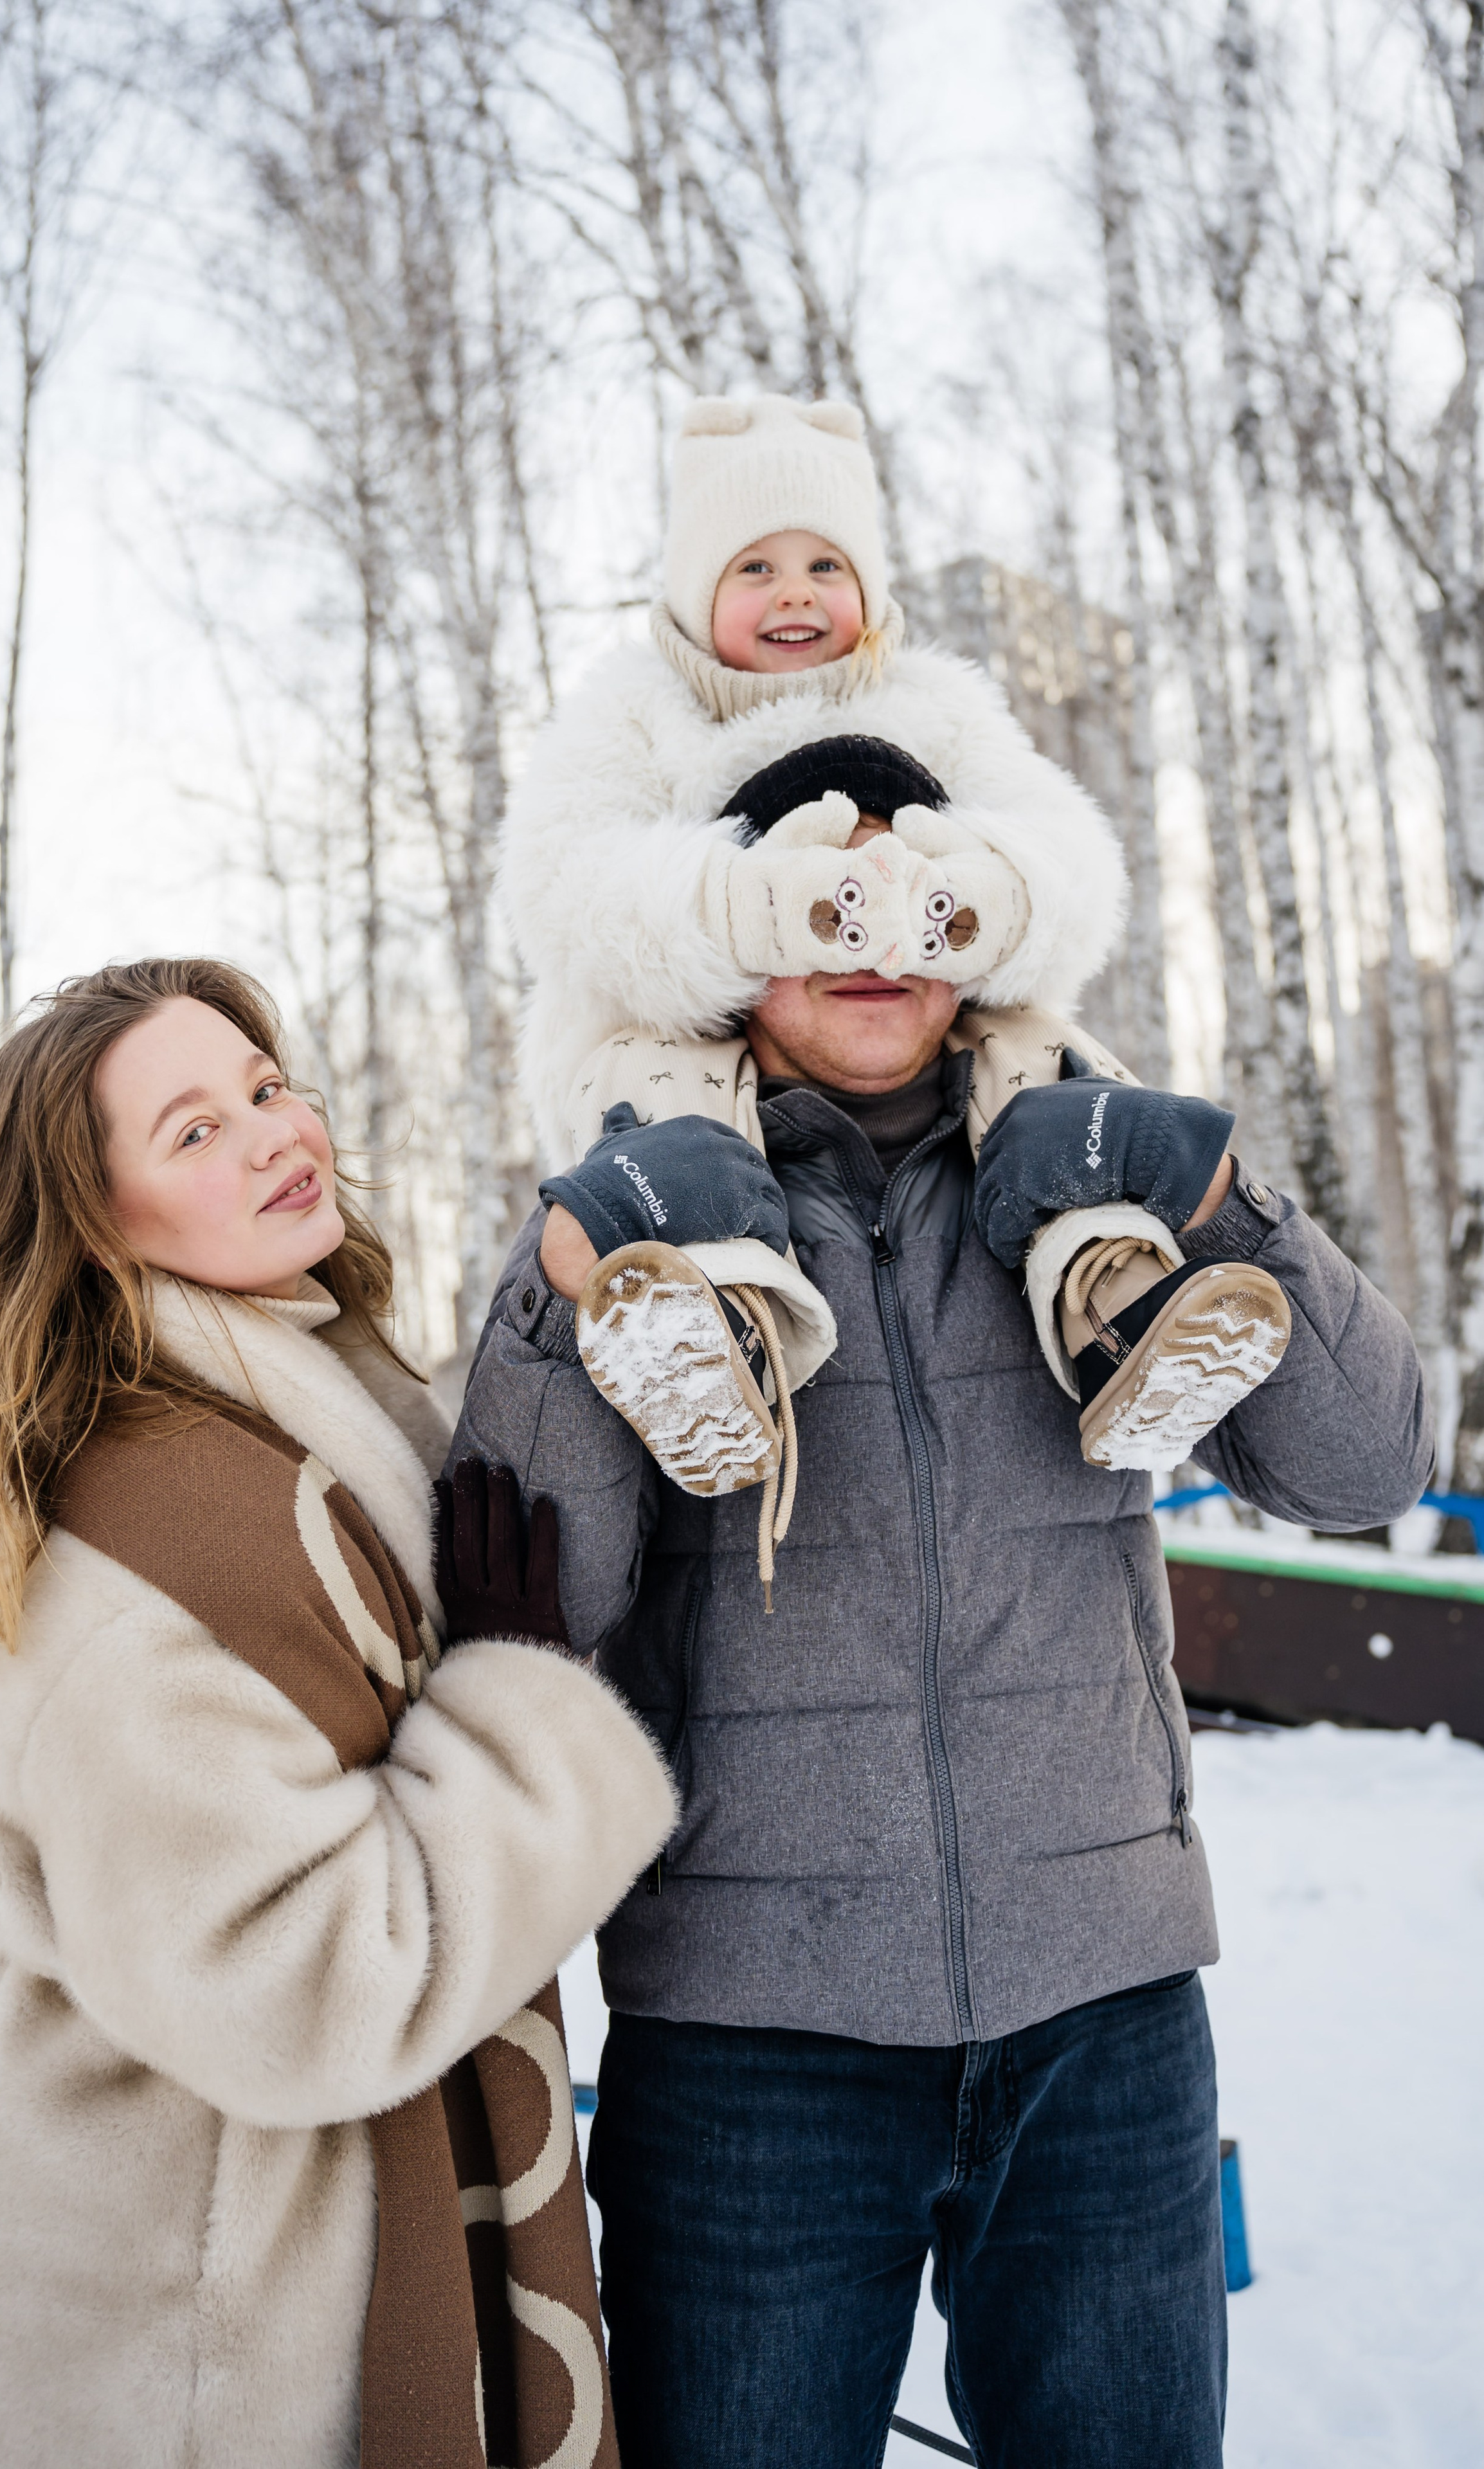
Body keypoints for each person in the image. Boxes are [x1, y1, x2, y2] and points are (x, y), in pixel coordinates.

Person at [451, 536, 1436, 2464]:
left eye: (914, 890)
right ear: (739, 934)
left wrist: (1230, 1204)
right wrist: (569, 1289)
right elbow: (526, 1614)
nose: (875, 934)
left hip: (1104, 2023)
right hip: (754, 2054)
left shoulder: (1098, 1186)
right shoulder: (654, 1204)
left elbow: (1367, 1464)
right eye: (822, 898)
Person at [0, 955, 675, 2469]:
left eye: (265, 1088)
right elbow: (312, 1989)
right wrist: (518, 1714)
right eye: (191, 1131)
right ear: (90, 1223)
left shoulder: (285, 1414)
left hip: (254, 2238)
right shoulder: (134, 1552)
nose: (274, 1133)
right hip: (198, 2324)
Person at [507, 395, 1290, 1516]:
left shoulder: (933, 705)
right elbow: (566, 885)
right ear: (689, 595)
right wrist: (740, 905)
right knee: (679, 1111)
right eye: (755, 568)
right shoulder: (636, 715)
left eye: (827, 563)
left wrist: (983, 901)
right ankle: (716, 1337)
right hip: (680, 1035)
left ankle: (1125, 1302)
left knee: (1040, 1071)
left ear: (873, 589)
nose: (795, 593)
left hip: (929, 1025)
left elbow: (1068, 853)